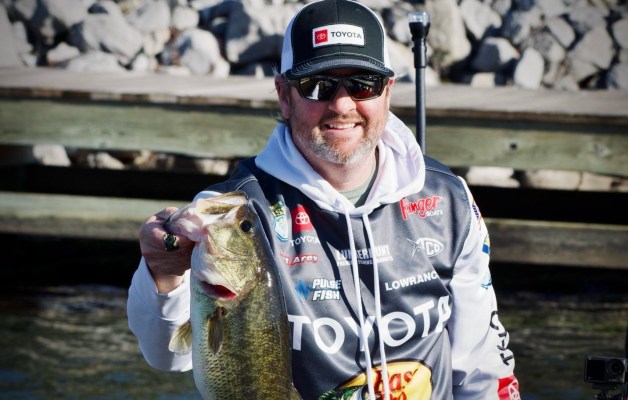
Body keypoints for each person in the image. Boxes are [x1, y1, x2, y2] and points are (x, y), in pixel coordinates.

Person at [127, 0, 520, 398]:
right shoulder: (236, 211)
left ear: (387, 92)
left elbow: (482, 363)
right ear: (284, 96)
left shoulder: (448, 200)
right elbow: (169, 356)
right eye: (318, 86)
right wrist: (164, 274)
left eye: (364, 83)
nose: (342, 105)